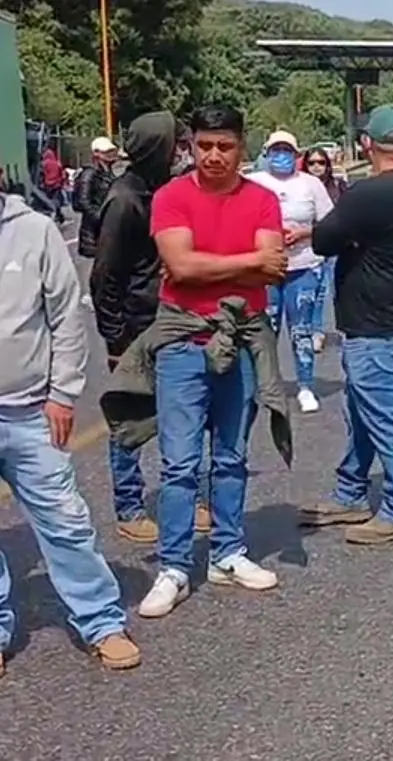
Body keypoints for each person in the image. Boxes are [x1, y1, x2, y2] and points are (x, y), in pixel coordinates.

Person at [109, 104, 290, 618]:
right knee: (181, 462)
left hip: (244, 340)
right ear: (190, 146)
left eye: (224, 146)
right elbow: (181, 267)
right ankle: (174, 565)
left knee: (231, 456)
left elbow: (273, 268)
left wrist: (241, 268)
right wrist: (248, 263)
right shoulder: (170, 197)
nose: (213, 156)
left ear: (241, 146)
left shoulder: (261, 199)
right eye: (203, 145)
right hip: (184, 343)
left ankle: (228, 552)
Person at [0, 162, 142, 677]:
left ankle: (102, 622)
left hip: (30, 410)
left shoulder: (34, 231)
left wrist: (62, 396)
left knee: (65, 523)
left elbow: (64, 318)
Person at [297, 105, 393, 547]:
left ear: (367, 144)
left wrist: (345, 231)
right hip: (391, 315)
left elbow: (323, 238)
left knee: (383, 416)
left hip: (376, 323)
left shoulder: (369, 194)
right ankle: (351, 490)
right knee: (362, 414)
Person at [89, 112, 214, 544]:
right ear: (157, 148)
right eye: (175, 144)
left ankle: (193, 497)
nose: (182, 150)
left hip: (171, 319)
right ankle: (129, 506)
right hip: (136, 327)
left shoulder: (165, 189)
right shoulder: (125, 199)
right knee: (131, 418)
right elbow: (105, 277)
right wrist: (115, 340)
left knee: (185, 412)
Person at [247, 130, 335, 415]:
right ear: (266, 154)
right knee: (264, 330)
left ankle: (306, 386)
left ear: (296, 155)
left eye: (287, 151)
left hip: (303, 267)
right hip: (265, 271)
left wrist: (304, 233)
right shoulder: (253, 183)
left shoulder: (311, 185)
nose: (281, 156)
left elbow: (330, 224)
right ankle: (265, 385)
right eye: (275, 151)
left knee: (301, 331)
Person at [304, 146, 347, 352]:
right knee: (316, 294)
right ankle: (316, 332)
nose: (316, 167)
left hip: (335, 247)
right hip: (310, 248)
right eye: (312, 163)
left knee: (339, 290)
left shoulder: (338, 185)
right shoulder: (301, 188)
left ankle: (346, 328)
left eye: (321, 162)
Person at [72, 136, 119, 260]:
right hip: (94, 234)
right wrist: (101, 217)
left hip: (104, 232)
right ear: (96, 154)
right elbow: (83, 202)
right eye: (106, 151)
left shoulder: (107, 173)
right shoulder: (90, 174)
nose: (110, 154)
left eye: (111, 151)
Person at [39, 146, 65, 222]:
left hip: (47, 185)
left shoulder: (44, 164)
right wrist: (61, 183)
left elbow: (41, 174)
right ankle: (58, 215)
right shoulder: (58, 163)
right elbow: (63, 175)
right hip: (57, 185)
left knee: (47, 200)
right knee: (57, 200)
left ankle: (51, 214)